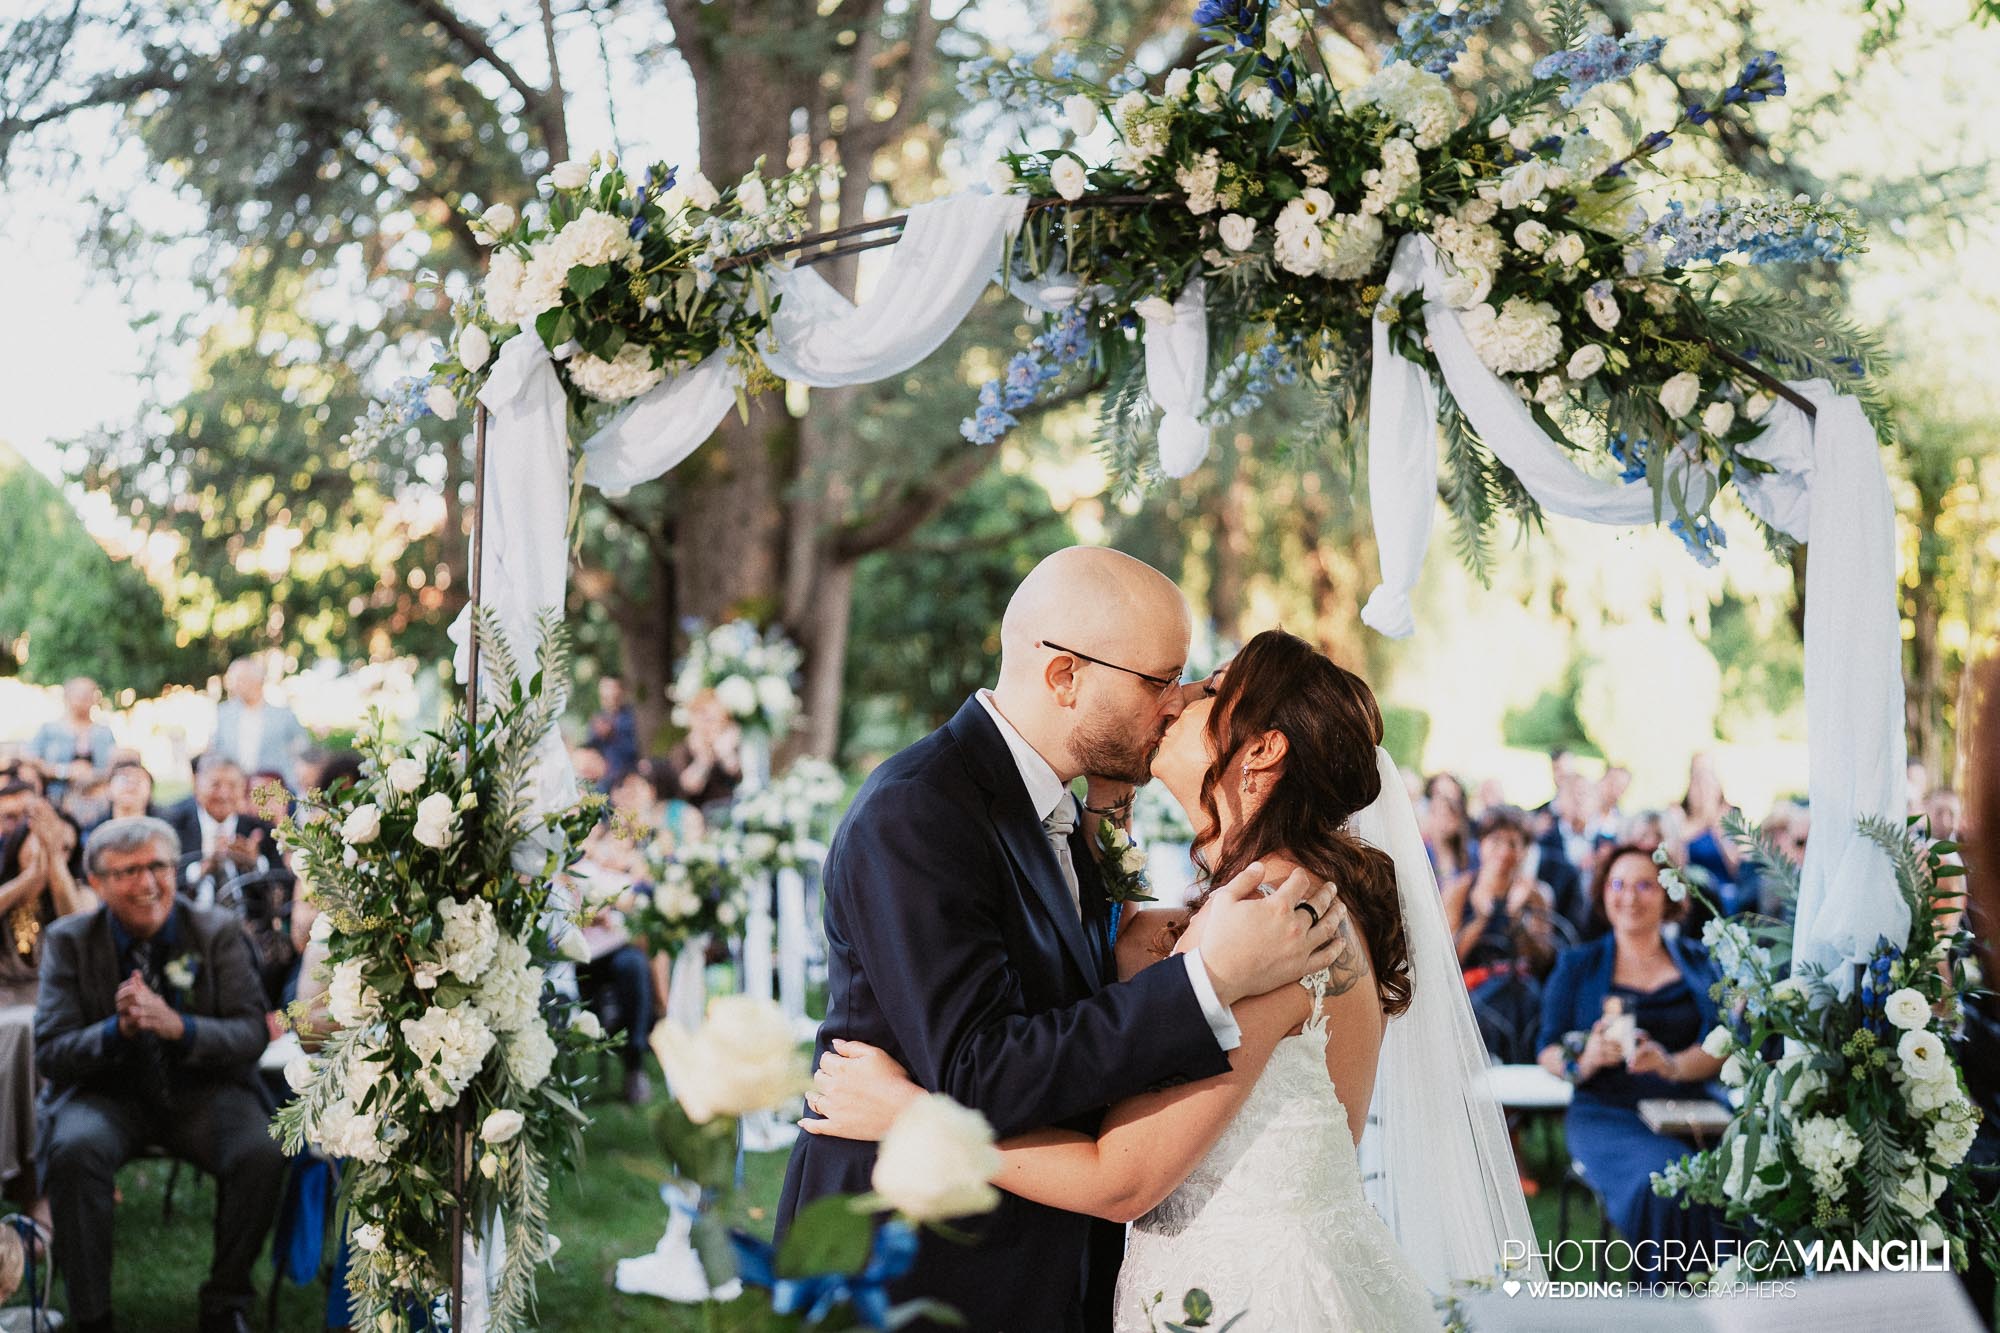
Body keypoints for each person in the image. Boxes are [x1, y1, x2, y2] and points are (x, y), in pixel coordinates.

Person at [802, 629, 1539, 1329]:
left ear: (1263, 749)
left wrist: (912, 1115)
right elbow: (1123, 978)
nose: (1177, 697)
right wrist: (1106, 814)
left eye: (1209, 690)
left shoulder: (1271, 924)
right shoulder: (1270, 897)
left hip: (1251, 1298)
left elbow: (1119, 1179)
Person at [776, 553, 1353, 1333]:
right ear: (1065, 676)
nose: (1178, 702)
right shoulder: (918, 812)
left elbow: (1082, 994)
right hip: (920, 1268)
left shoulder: (1063, 811)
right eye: (1160, 680)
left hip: (1043, 1270)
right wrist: (1208, 979)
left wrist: (1115, 871)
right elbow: (979, 1069)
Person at [34, 816, 285, 1333]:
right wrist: (115, 1031)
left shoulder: (215, 931)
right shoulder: (69, 940)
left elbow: (250, 1034)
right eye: (128, 872)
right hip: (105, 1094)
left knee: (260, 1149)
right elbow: (51, 1052)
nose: (147, 883)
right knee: (75, 1149)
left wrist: (181, 1028)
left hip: (202, 1092)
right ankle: (91, 1316)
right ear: (97, 882)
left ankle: (226, 1302)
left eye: (158, 867)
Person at [1536, 844, 1728, 1284]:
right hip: (1609, 1115)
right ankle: (1670, 1303)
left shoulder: (1700, 962)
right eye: (1618, 884)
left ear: (1668, 896)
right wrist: (1585, 1059)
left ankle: (1737, 1295)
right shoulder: (1578, 965)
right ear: (1603, 892)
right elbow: (1546, 1049)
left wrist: (1671, 1064)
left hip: (1692, 1110)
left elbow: (1723, 1045)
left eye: (1645, 885)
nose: (1629, 897)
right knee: (1669, 1182)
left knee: (1743, 1175)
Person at [1440, 806, 1561, 1063]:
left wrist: (1516, 917)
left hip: (1521, 992)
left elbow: (1541, 959)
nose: (1505, 851)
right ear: (1481, 844)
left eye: (1513, 843)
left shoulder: (1537, 894)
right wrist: (1481, 919)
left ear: (1525, 850)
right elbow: (1449, 958)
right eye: (1496, 841)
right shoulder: (1459, 890)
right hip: (1474, 992)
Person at [0, 782, 93, 1005]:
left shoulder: (79, 892)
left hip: (51, 1001)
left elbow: (79, 928)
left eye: (65, 848)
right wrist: (28, 878)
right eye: (40, 840)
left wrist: (54, 859)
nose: (55, 851)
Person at [210, 657, 308, 791]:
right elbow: (216, 751)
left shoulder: (284, 715)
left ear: (258, 681)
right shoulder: (223, 714)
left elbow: (302, 750)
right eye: (233, 680)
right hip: (236, 790)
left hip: (276, 790)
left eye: (241, 679)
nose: (235, 685)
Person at [27, 680, 118, 805]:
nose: (84, 697)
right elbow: (30, 759)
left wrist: (93, 776)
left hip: (98, 801)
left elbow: (113, 764)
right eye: (79, 693)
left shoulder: (104, 732)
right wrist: (64, 771)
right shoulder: (49, 730)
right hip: (55, 798)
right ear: (67, 696)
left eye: (89, 693)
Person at [663, 689, 742, 817]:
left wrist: (725, 751)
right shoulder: (682, 751)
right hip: (703, 816)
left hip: (737, 809)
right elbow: (690, 787)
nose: (707, 725)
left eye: (713, 719)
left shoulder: (732, 743)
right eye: (702, 718)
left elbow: (737, 773)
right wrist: (703, 758)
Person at [584, 677, 642, 790]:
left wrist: (613, 732)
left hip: (627, 775)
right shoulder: (598, 719)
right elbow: (590, 747)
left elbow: (633, 748)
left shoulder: (630, 716)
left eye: (611, 689)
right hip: (604, 778)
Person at [1420, 772, 1470, 880]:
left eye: (1451, 814)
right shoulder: (1422, 854)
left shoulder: (1471, 853)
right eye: (1441, 815)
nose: (1447, 821)